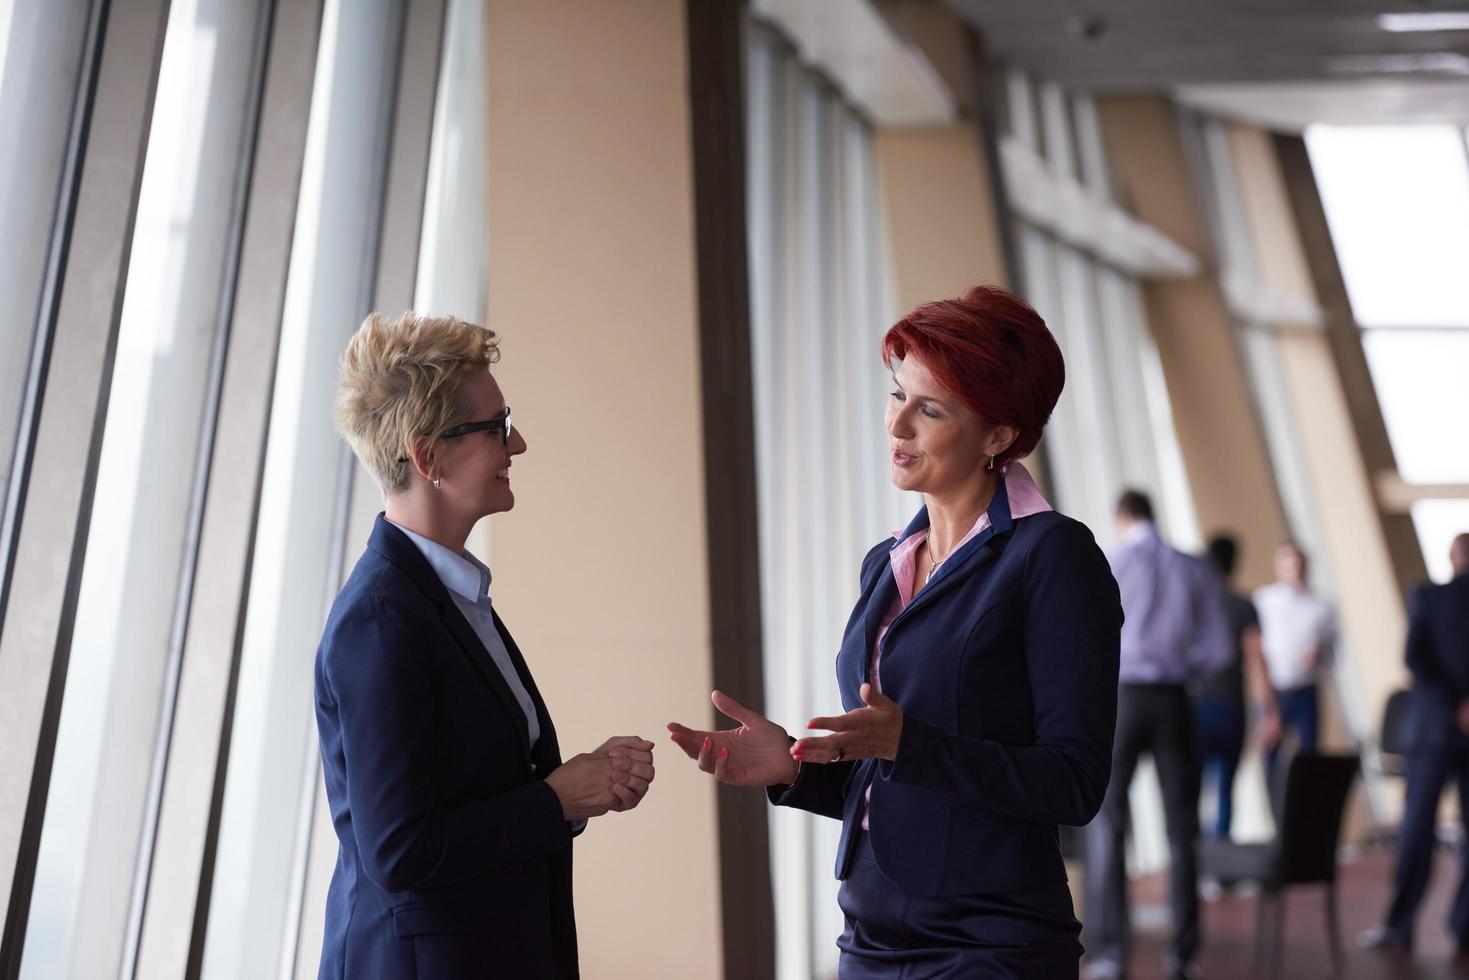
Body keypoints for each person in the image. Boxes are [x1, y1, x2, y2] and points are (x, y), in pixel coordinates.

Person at [669, 285, 1123, 978]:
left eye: (929, 408)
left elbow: (1073, 783)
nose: (896, 425)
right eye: (895, 394)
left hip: (991, 940)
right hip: (870, 930)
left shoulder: (1052, 557)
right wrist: (793, 766)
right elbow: (894, 775)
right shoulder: (887, 564)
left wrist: (908, 743)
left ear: (997, 437)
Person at [314, 312, 655, 980]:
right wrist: (556, 798)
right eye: (495, 426)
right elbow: (399, 850)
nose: (517, 443)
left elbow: (479, 791)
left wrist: (581, 785)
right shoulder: (380, 620)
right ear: (428, 456)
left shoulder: (446, 597)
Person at [1083, 490, 1231, 980]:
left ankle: (1109, 954)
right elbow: (1218, 647)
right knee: (1182, 829)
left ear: (1121, 515)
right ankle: (1182, 954)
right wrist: (1184, 665)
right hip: (1175, 699)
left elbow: (1086, 635)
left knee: (1108, 823)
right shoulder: (1193, 567)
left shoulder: (1110, 558)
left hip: (1122, 698)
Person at [1360, 533, 1469, 955]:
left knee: (1417, 827)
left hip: (1433, 728)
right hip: (1446, 726)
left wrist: (1455, 702)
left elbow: (1414, 660)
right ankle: (1463, 926)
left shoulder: (1426, 597)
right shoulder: (1429, 596)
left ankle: (1399, 925)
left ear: (1451, 556)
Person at [1195, 534, 1279, 840]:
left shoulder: (1193, 604)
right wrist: (1268, 712)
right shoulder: (1243, 606)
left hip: (1194, 705)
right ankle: (1219, 863)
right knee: (1225, 787)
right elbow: (1257, 664)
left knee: (1191, 788)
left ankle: (1197, 863)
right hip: (1230, 707)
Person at [1253, 541, 1335, 786]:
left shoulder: (1322, 606)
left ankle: (1307, 816)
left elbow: (1330, 652)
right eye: (1287, 565)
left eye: (1298, 565)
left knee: (1309, 757)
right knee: (1271, 757)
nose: (1294, 570)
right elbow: (1257, 651)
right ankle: (1280, 820)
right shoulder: (1264, 600)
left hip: (1305, 689)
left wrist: (1318, 656)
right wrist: (1266, 703)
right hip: (1274, 690)